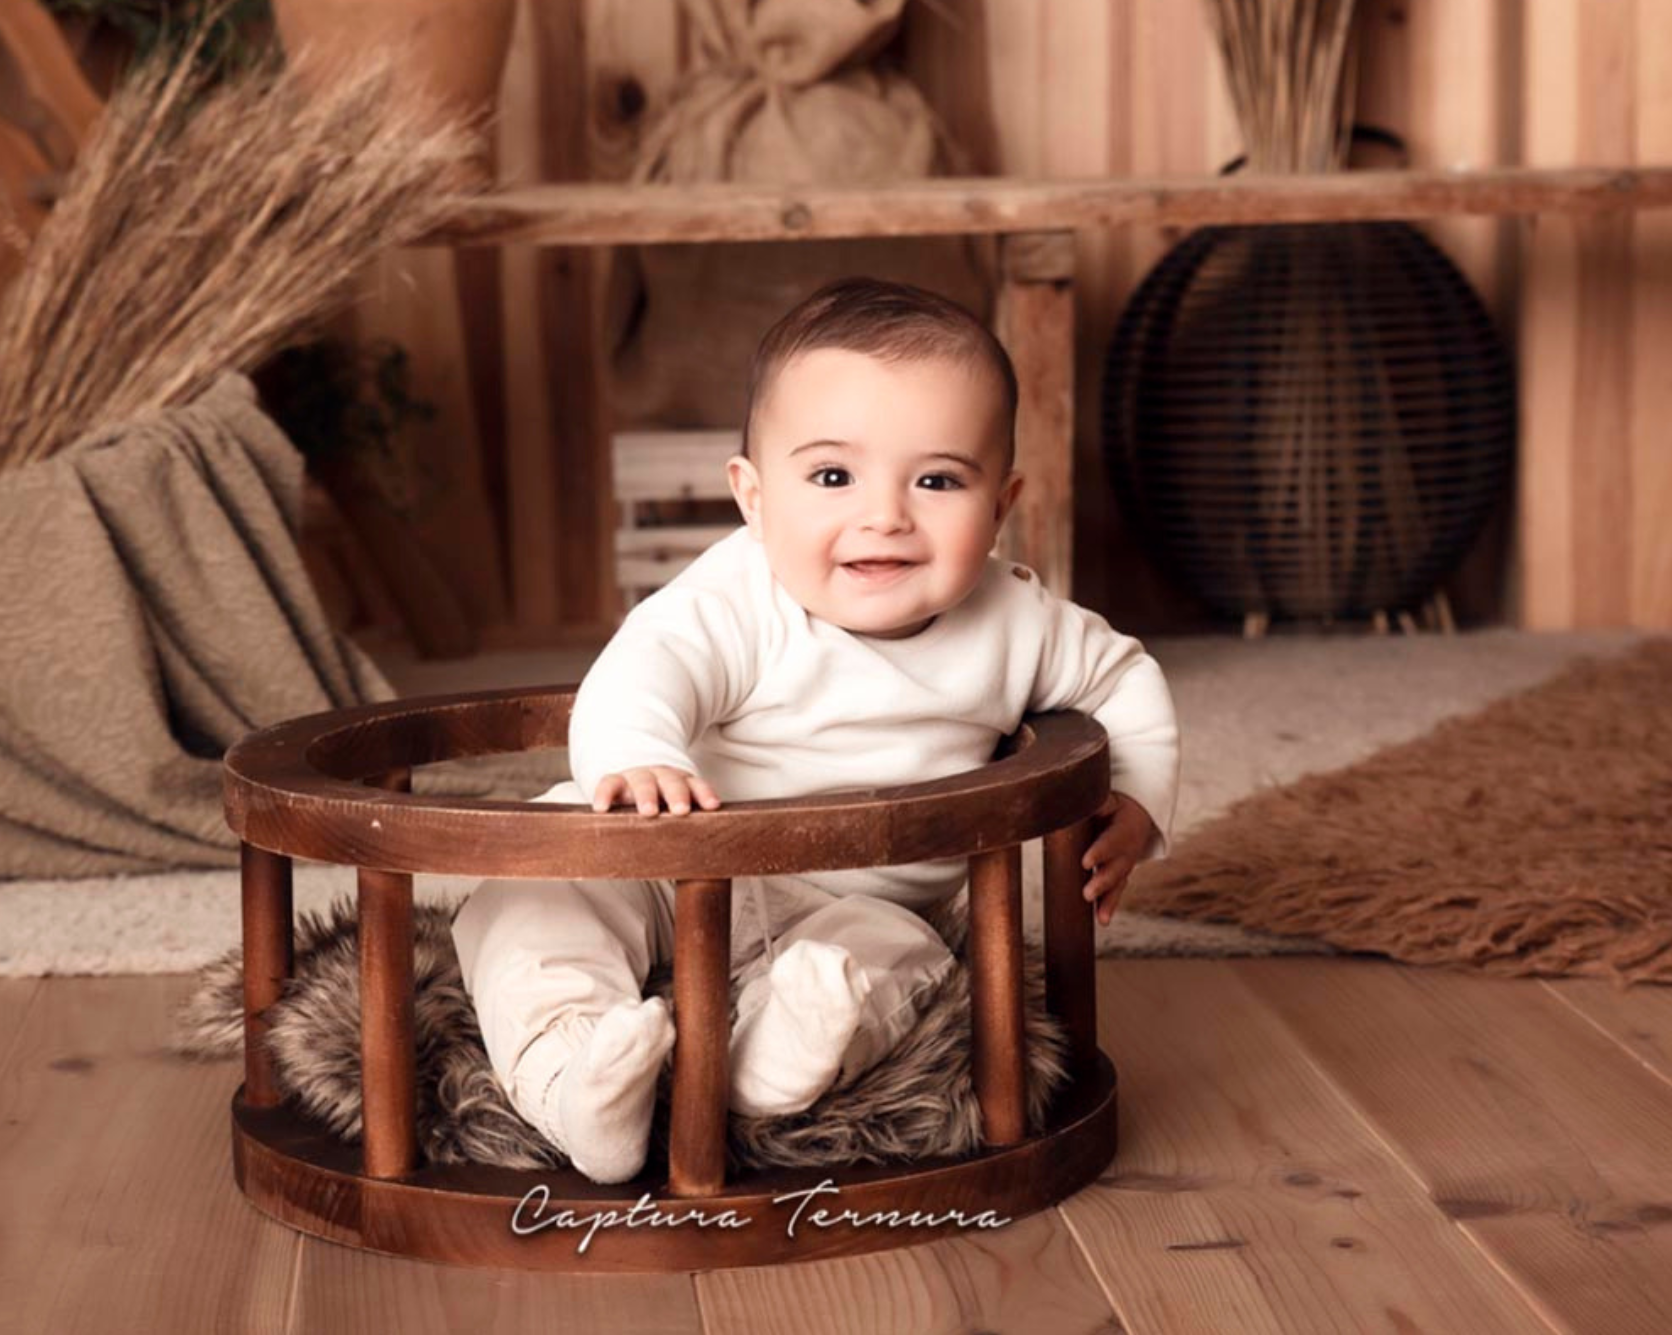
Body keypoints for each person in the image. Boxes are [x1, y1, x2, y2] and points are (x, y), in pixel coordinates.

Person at [451, 277, 1180, 1184]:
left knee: (888, 964)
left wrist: (1141, 801)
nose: (885, 514)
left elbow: (1124, 677)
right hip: (669, 857)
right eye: (833, 476)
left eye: (938, 479)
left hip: (864, 896)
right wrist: (641, 753)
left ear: (1000, 504)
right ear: (753, 497)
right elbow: (646, 668)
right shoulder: (736, 594)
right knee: (522, 899)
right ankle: (576, 1073)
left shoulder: (1017, 620)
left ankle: (765, 1063)